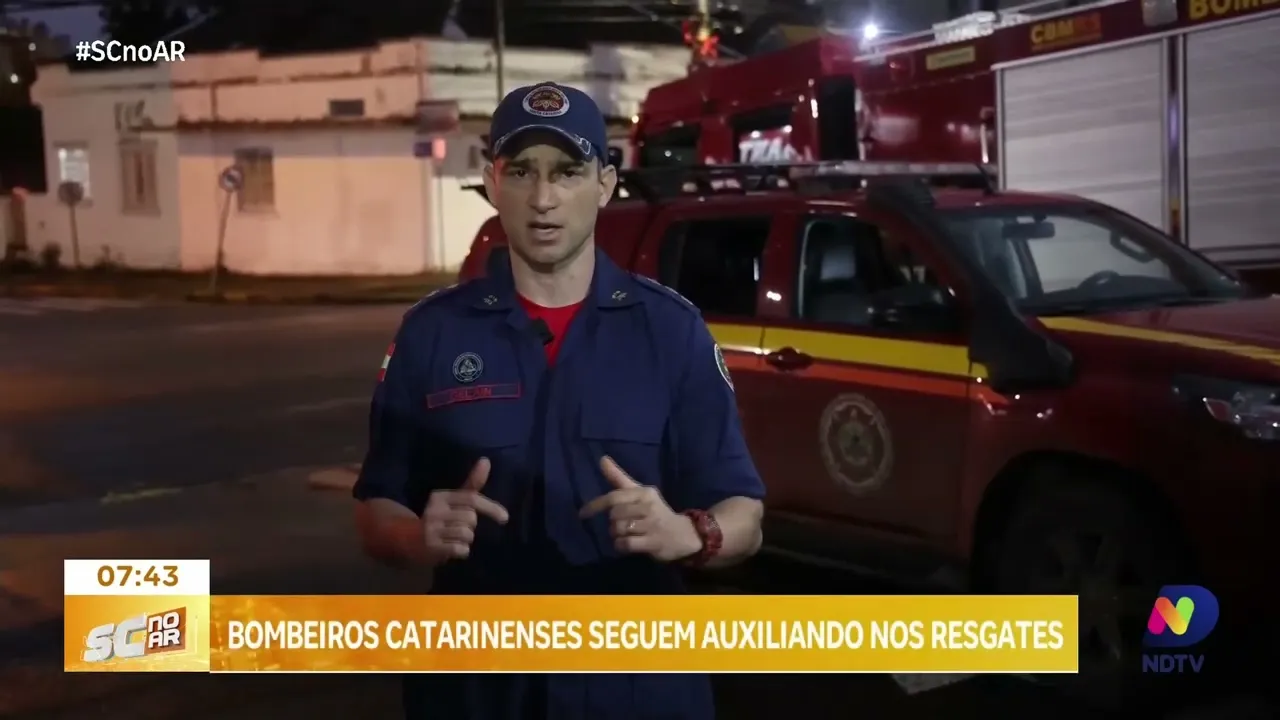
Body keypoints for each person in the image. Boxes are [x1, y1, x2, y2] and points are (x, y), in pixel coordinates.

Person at [352, 81, 766, 720]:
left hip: (636, 688)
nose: (543, 199)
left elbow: (745, 513)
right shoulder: (431, 333)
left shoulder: (671, 331)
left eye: (567, 172)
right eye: (522, 171)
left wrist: (689, 533)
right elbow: (377, 508)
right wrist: (414, 537)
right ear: (493, 183)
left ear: (604, 184)